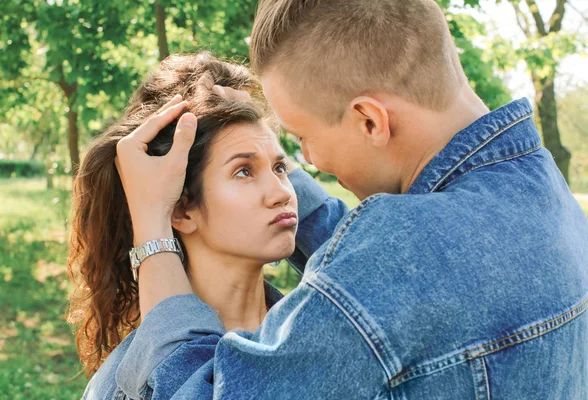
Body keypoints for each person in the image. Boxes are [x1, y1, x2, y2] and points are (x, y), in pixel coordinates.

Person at [107, 0, 588, 399]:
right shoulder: (542, 192)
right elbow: (392, 265)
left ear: (371, 121)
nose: (306, 164)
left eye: (300, 139)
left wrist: (150, 224)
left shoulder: (392, 260)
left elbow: (384, 270)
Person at [70, 53, 347, 399]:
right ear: (182, 209)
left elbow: (367, 268)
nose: (282, 193)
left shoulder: (332, 330)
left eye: (281, 168)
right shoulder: (119, 389)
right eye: (244, 171)